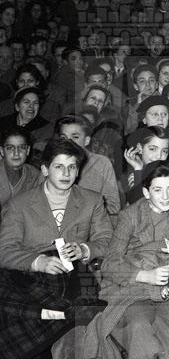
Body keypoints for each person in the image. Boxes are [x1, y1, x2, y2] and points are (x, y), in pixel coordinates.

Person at [86, 160, 169, 359]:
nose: (165, 197)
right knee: (138, 324)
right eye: (157, 190)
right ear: (146, 192)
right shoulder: (130, 216)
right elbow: (110, 263)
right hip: (134, 285)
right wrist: (145, 275)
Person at [0, 138, 113, 359]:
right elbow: (4, 250)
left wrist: (85, 250)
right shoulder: (19, 205)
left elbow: (108, 240)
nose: (66, 173)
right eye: (59, 166)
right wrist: (37, 262)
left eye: (72, 167)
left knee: (79, 313)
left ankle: (60, 320)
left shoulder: (92, 200)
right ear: (44, 169)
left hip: (75, 275)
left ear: (78, 171)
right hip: (30, 277)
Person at [0, 127, 40, 210]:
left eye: (22, 147)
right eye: (10, 148)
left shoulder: (34, 175)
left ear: (28, 150)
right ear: (2, 151)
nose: (16, 153)